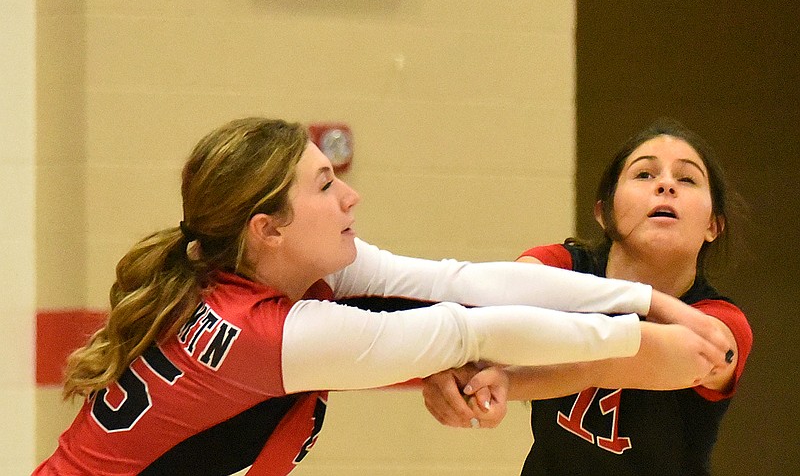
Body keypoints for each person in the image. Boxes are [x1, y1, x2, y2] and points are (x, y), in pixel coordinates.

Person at [34, 117, 730, 476]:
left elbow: (460, 282)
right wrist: (638, 338)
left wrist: (649, 306)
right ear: (267, 230)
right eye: (325, 185)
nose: (352, 193)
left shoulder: (285, 272)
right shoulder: (271, 334)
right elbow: (466, 331)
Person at [421, 118, 753, 476]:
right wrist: (449, 372)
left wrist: (509, 380)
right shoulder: (560, 265)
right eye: (644, 175)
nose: (666, 185)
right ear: (603, 213)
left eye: (686, 179)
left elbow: (611, 359)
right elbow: (484, 315)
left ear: (712, 226)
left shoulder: (721, 320)